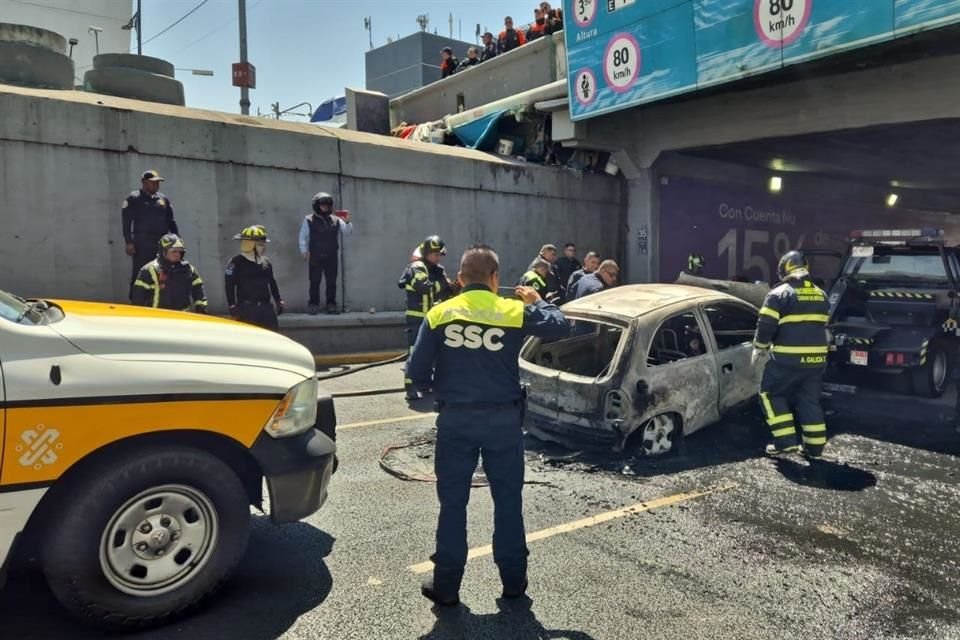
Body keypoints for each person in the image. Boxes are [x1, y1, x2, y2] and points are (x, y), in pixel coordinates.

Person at [407, 244, 568, 606]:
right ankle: (513, 582)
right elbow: (560, 325)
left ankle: (447, 585)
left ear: (460, 279)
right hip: (503, 422)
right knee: (508, 501)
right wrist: (537, 300)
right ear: (495, 279)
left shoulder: (439, 314)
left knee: (453, 504)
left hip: (456, 421)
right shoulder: (512, 310)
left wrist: (447, 387)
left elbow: (415, 373)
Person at [752, 251, 829, 459]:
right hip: (816, 361)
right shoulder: (821, 294)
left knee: (770, 394)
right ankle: (814, 448)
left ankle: (785, 443)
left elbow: (766, 324)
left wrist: (759, 347)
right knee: (809, 400)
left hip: (787, 359)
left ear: (785, 268)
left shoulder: (779, 294)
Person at [398, 235, 457, 401]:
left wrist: (455, 286)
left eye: (439, 255)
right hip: (417, 318)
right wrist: (444, 285)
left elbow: (446, 291)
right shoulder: (416, 267)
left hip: (434, 319)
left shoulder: (438, 270)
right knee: (415, 353)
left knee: (435, 353)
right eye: (434, 254)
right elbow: (424, 287)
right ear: (426, 253)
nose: (437, 258)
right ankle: (410, 387)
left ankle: (428, 384)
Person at [122, 170, 179, 301]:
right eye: (153, 183)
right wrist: (129, 242)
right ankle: (136, 301)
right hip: (142, 242)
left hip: (162, 242)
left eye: (158, 183)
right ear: (144, 182)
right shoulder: (134, 198)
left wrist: (177, 240)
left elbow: (171, 221)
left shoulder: (163, 199)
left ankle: (159, 301)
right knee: (140, 271)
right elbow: (126, 222)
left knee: (163, 271)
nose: (156, 185)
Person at [299, 192, 353, 315]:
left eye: (327, 205)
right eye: (323, 205)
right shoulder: (308, 219)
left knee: (331, 282)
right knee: (314, 281)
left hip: (332, 256)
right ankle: (313, 305)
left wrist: (348, 221)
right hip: (315, 256)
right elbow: (302, 236)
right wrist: (303, 250)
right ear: (317, 205)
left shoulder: (336, 220)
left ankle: (331, 305)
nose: (325, 207)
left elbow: (347, 232)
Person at [225, 225, 284, 330]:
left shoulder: (266, 262)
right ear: (250, 245)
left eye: (263, 244)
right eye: (260, 245)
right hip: (246, 309)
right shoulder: (236, 262)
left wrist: (278, 300)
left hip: (266, 309)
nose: (263, 247)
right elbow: (229, 285)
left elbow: (272, 282)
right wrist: (232, 306)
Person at [132, 234, 207, 313]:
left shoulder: (189, 270)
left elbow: (199, 292)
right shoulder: (149, 270)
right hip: (157, 318)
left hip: (182, 318)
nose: (177, 254)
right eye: (173, 251)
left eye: (180, 252)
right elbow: (138, 299)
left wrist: (201, 310)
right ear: (163, 251)